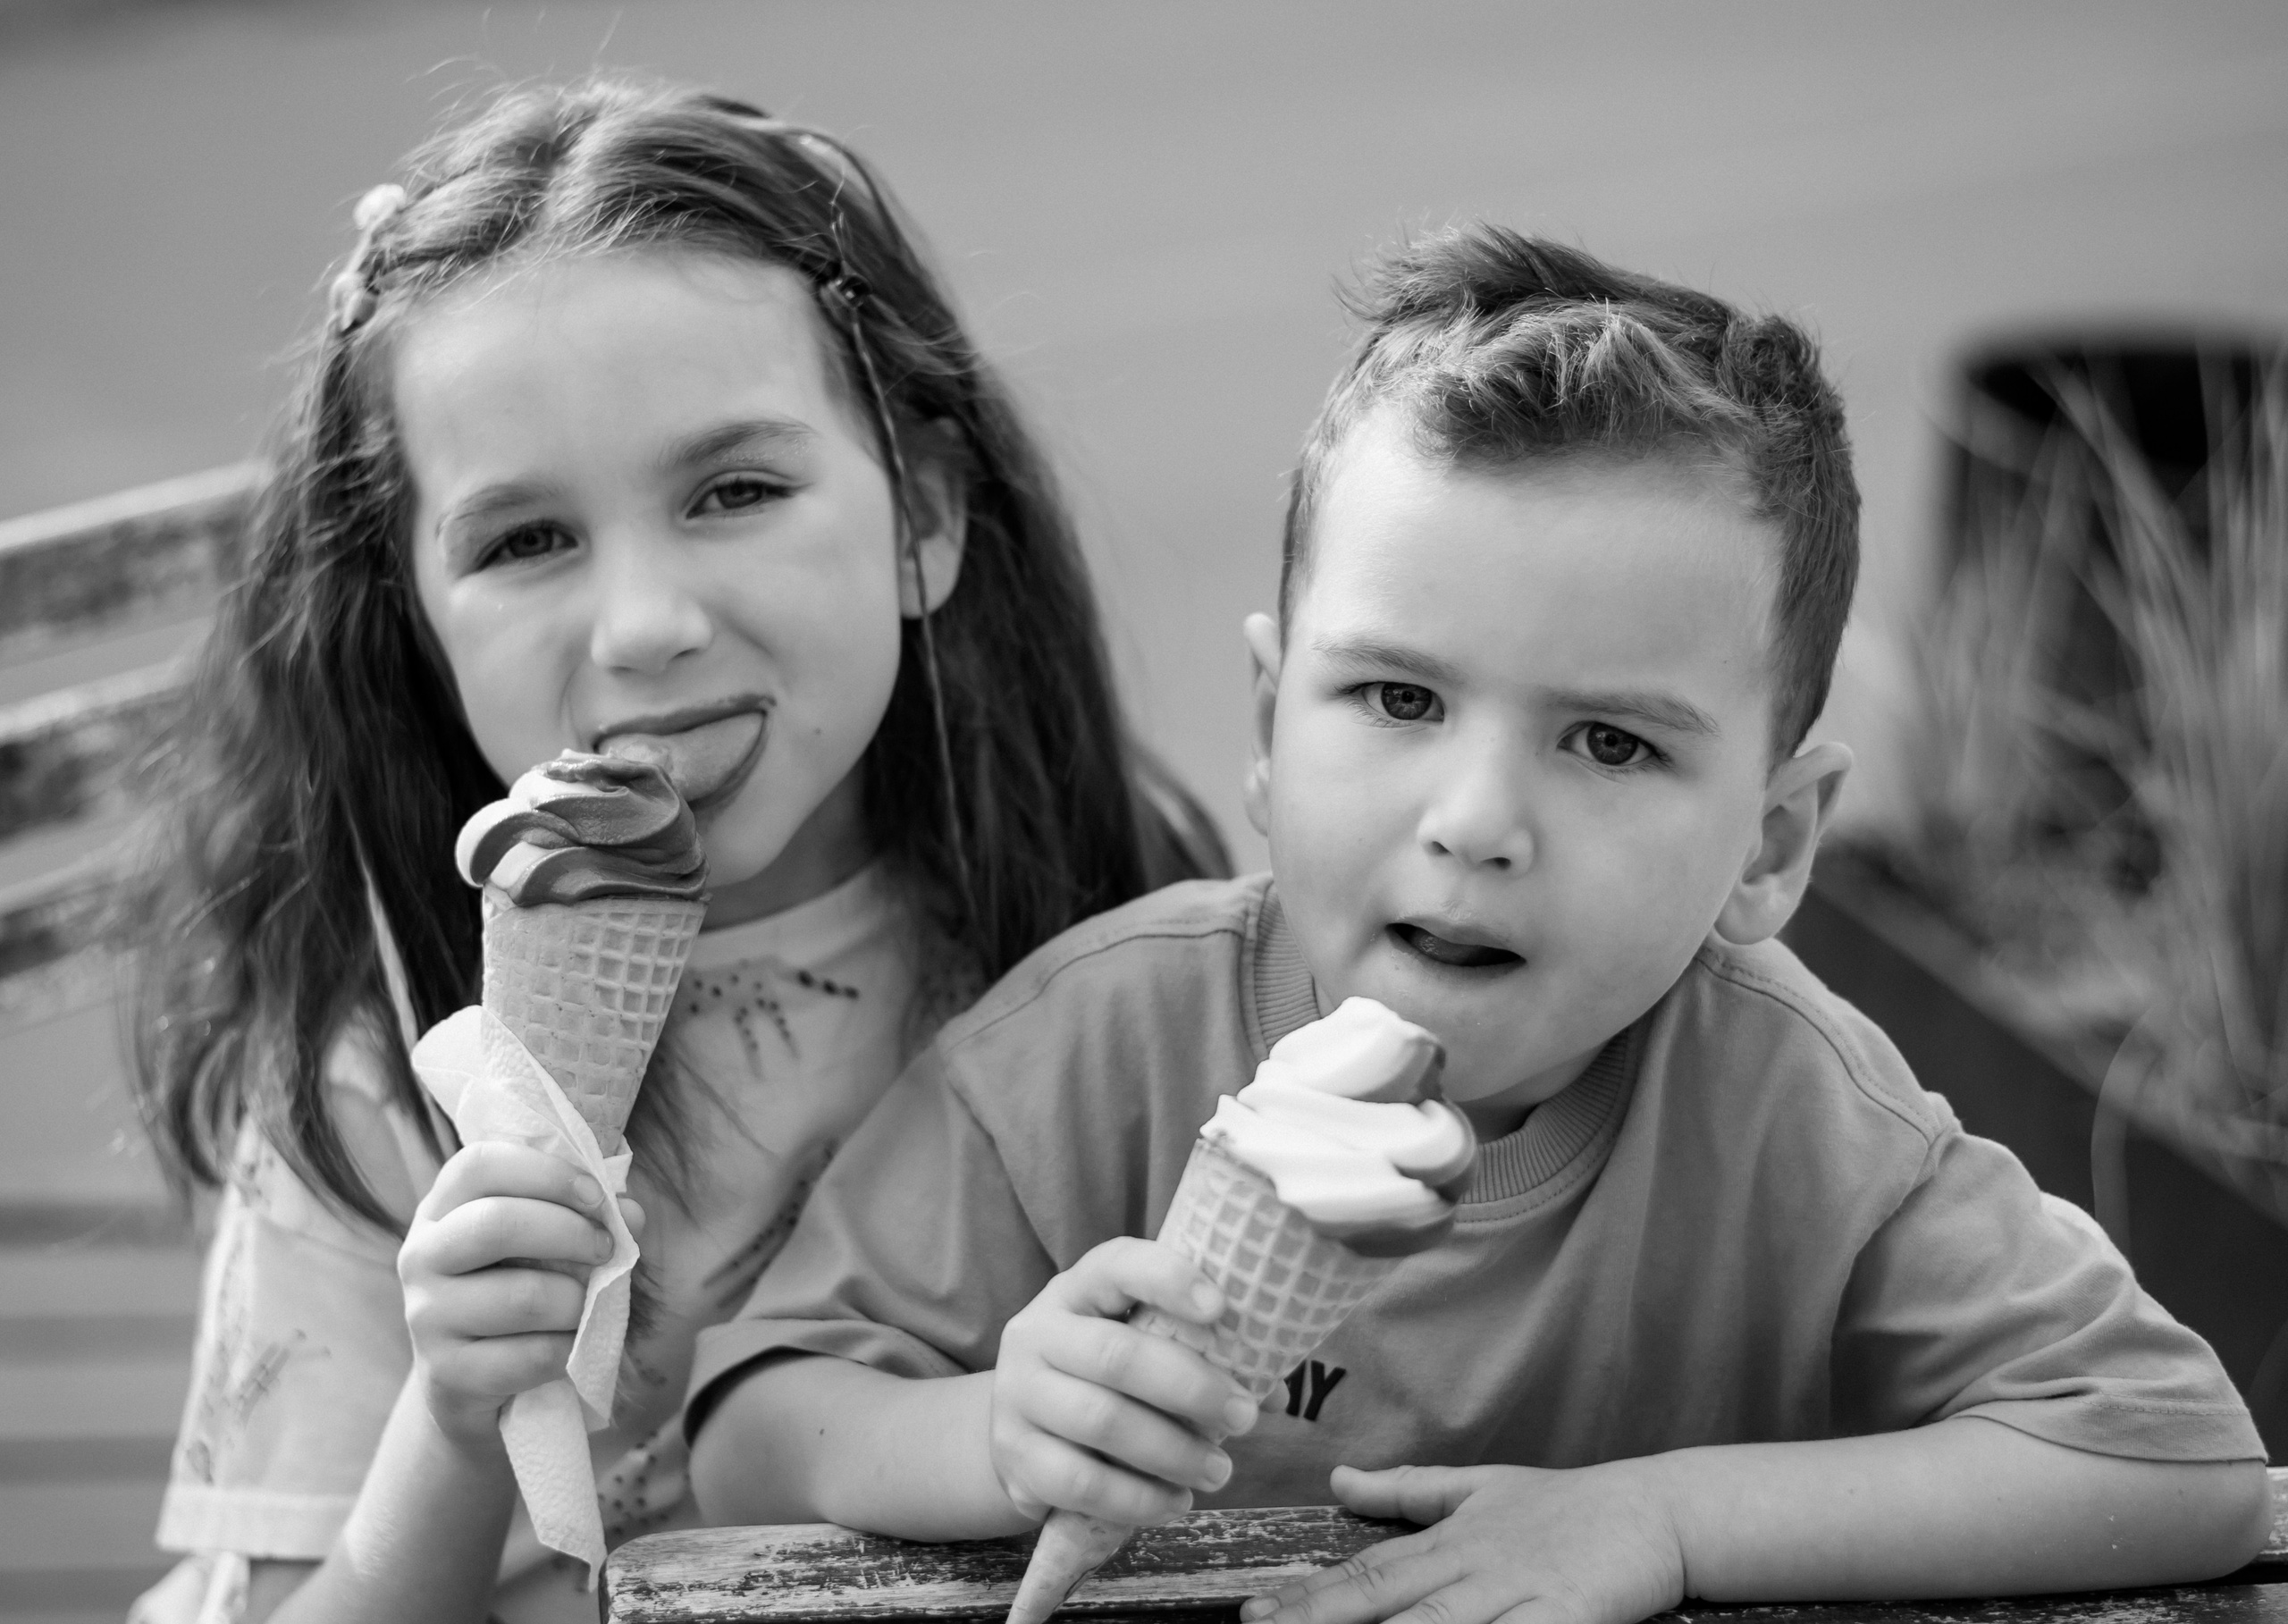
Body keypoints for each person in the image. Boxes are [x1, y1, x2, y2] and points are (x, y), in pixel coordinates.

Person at [682, 227, 2270, 1618]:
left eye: (1611, 743)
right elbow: (751, 1427)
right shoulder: (1092, 1045)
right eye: (1399, 698)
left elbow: (2171, 1456)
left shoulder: (1796, 1119)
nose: (1478, 818)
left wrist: (1663, 1519)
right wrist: (991, 1433)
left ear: (1772, 842)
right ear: (1268, 721)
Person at [127, 76, 1224, 1624]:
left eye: (735, 491)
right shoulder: (389, 1064)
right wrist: (458, 1419)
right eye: (526, 540)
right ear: (414, 621)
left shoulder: (1092, 936)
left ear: (921, 515)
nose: (645, 624)